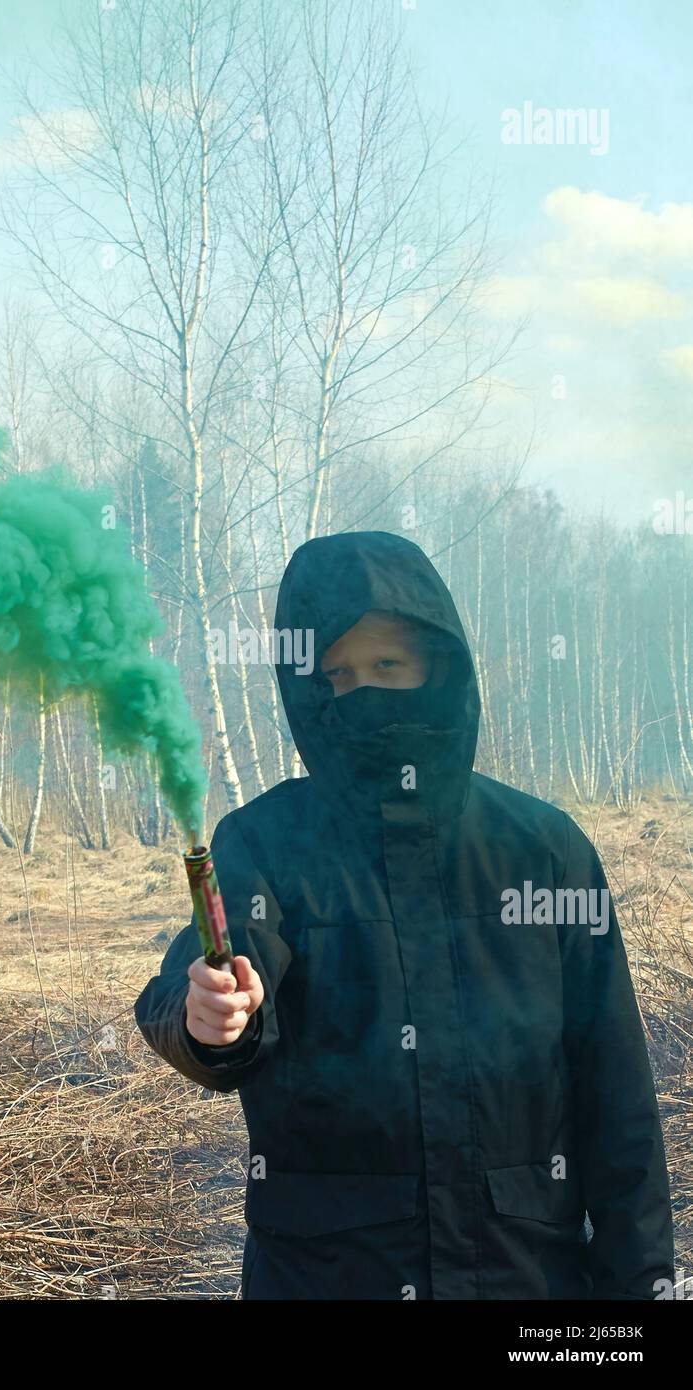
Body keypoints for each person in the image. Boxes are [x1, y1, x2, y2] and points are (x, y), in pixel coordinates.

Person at [133, 530, 674, 1300]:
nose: (364, 691)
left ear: (437, 664)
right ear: (310, 690)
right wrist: (210, 1016)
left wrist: (637, 1294)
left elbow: (617, 1100)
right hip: (328, 1280)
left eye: (387, 664)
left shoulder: (545, 851)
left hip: (527, 1284)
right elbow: (210, 970)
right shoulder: (265, 841)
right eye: (340, 673)